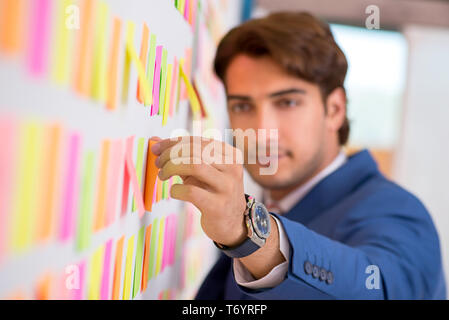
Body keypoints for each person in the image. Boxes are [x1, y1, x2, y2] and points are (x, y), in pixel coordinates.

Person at [150, 12, 446, 299]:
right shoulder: (268, 204)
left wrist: (248, 234)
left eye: (287, 102)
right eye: (242, 106)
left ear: (335, 111)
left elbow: (379, 289)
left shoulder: (400, 213)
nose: (262, 131)